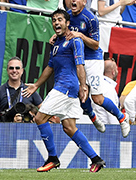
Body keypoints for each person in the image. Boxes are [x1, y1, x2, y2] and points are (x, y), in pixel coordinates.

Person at [23, 9, 105, 173]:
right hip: (65, 87)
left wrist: (83, 86)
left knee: (39, 118)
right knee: (69, 127)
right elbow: (50, 67)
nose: (56, 23)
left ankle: (53, 158)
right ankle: (96, 159)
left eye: (60, 19)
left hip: (66, 87)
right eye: (54, 20)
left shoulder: (75, 41)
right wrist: (36, 85)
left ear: (68, 23)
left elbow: (80, 64)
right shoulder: (56, 44)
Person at [65, 0, 130, 135]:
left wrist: (80, 35)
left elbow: (95, 44)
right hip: (77, 60)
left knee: (97, 98)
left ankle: (121, 118)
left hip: (92, 60)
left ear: (84, 1)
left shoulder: (90, 19)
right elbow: (65, 35)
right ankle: (93, 118)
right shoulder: (67, 16)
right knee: (80, 94)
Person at [0, 57, 42, 122]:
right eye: (11, 68)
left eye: (17, 68)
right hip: (6, 129)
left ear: (22, 71)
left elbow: (43, 110)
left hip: (25, 130)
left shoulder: (29, 90)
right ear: (7, 70)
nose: (14, 70)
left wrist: (35, 122)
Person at [92, 59, 120, 125]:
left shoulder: (95, 85)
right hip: (105, 129)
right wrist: (117, 131)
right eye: (116, 69)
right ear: (113, 72)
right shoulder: (109, 89)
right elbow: (112, 116)